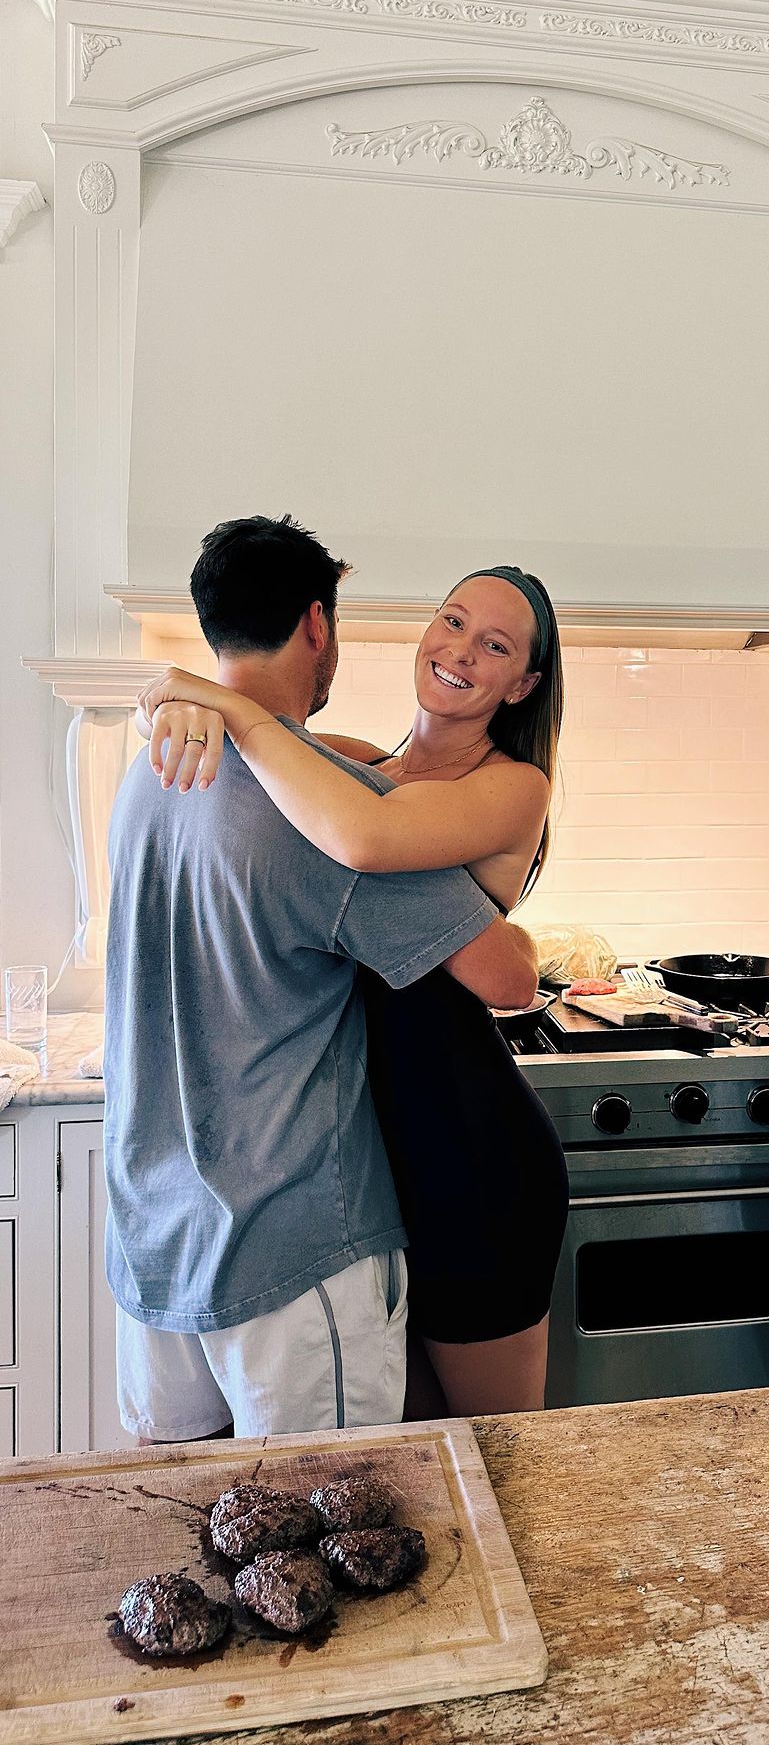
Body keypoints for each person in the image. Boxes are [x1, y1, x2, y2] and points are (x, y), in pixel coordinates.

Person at [106, 516, 538, 1444]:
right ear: (316, 624)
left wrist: (184, 704)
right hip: (291, 1240)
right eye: (454, 622)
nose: (462, 650)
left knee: (189, 1512)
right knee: (344, 1517)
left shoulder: (149, 775)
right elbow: (508, 971)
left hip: (160, 1230)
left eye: (496, 643)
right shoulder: (326, 806)